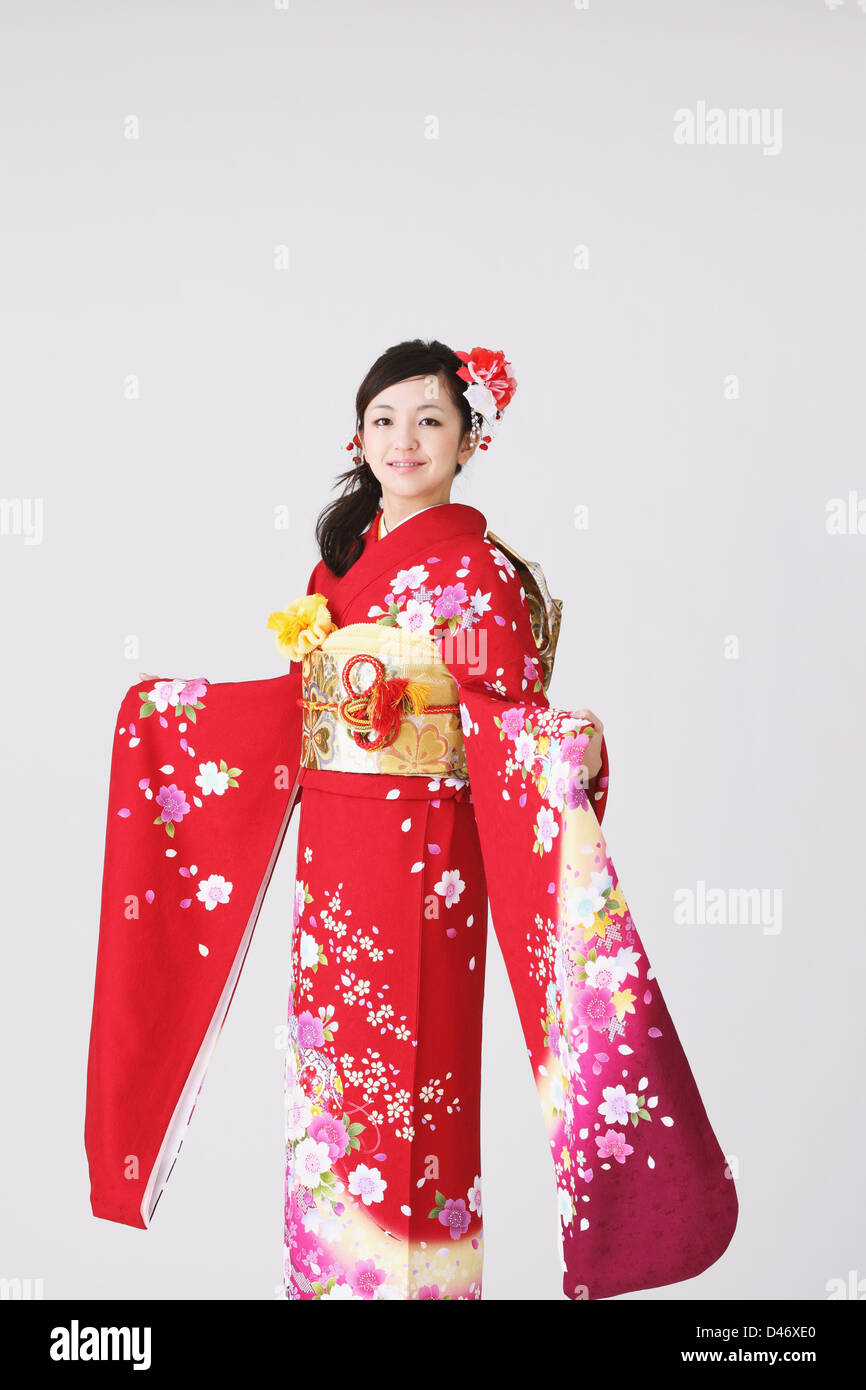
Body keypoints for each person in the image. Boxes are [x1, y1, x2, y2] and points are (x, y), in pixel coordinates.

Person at [264, 339, 737, 1300]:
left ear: (470, 439)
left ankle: (425, 1286)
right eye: (385, 420)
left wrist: (557, 744)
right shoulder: (340, 567)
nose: (406, 440)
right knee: (331, 1090)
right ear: (358, 438)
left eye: (431, 419)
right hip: (338, 851)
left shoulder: (479, 573)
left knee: (419, 1068)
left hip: (424, 852)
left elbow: (505, 719)